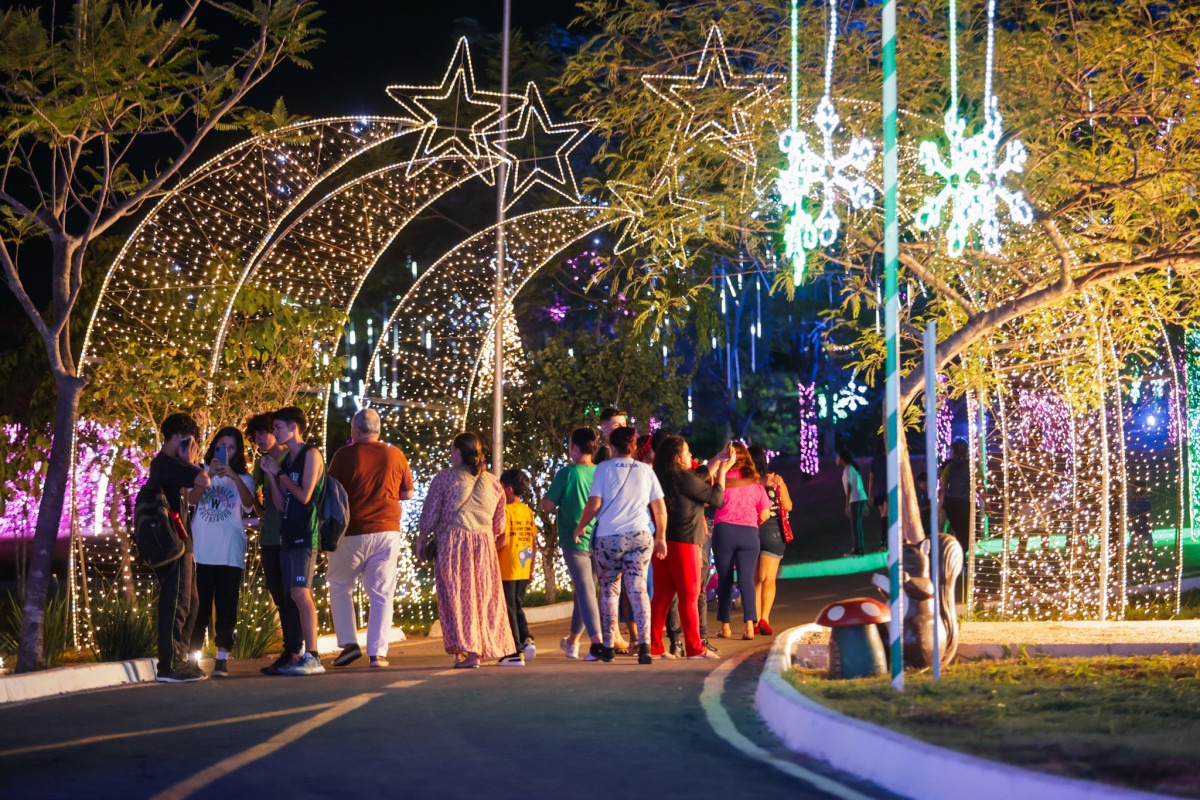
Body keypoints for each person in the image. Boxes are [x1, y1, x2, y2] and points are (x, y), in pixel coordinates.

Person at [326, 408, 415, 670]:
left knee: (340, 585)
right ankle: (378, 654)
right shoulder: (395, 454)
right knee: (381, 594)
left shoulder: (344, 455)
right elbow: (407, 493)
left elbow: (332, 491)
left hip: (351, 532)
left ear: (355, 430)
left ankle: (349, 644)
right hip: (388, 531)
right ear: (378, 430)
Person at [416, 432, 511, 669]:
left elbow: (430, 513)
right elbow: (499, 524)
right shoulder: (493, 482)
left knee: (457, 596)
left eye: (452, 450)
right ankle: (479, 646)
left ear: (457, 452)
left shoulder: (445, 479)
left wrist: (421, 538)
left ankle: (468, 650)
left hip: (453, 544)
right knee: (483, 597)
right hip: (484, 546)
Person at [573, 426, 667, 665]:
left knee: (609, 590)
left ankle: (607, 646)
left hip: (609, 538)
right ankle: (645, 645)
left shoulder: (603, 468)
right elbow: (659, 509)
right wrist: (661, 538)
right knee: (638, 589)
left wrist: (581, 525)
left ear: (611, 445)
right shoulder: (646, 470)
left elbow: (594, 504)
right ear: (633, 446)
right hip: (640, 535)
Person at [650, 435, 729, 659]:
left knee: (663, 597)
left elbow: (701, 474)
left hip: (663, 542)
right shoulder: (684, 478)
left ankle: (655, 646)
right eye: (686, 452)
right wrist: (723, 472)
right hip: (685, 544)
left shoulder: (662, 478)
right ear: (677, 457)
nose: (690, 456)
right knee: (689, 596)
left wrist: (718, 459)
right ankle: (695, 648)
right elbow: (716, 499)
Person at [260, 406, 325, 676]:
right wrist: (273, 475)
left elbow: (304, 495)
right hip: (287, 532)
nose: (274, 433)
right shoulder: (286, 461)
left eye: (277, 427)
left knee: (301, 592)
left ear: (293, 427)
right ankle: (298, 654)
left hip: (306, 534)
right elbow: (280, 502)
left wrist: (280, 473)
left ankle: (314, 655)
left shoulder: (310, 454)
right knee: (291, 594)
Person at [189, 427, 255, 677]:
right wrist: (207, 477)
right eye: (221, 445)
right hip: (202, 551)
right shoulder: (200, 472)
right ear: (214, 446)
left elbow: (249, 505)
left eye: (231, 447)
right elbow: (192, 500)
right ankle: (192, 658)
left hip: (230, 552)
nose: (225, 451)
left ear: (237, 452)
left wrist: (233, 477)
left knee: (227, 607)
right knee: (199, 608)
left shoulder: (244, 477)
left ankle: (222, 659)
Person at [150, 412, 210, 683]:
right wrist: (190, 463)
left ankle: (180, 660)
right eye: (188, 441)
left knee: (191, 601)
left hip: (181, 541)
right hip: (173, 543)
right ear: (176, 438)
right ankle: (169, 665)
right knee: (177, 602)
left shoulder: (170, 466)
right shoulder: (167, 464)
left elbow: (193, 492)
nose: (192, 448)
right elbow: (203, 480)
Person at [246, 413, 304, 675]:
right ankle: (290, 649)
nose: (259, 438)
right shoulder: (262, 462)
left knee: (292, 594)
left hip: (289, 535)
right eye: (255, 434)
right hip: (269, 535)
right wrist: (259, 508)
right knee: (278, 594)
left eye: (265, 431)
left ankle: (294, 649)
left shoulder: (290, 458)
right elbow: (253, 498)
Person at [543, 428, 604, 660]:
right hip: (599, 538)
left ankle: (597, 643)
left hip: (574, 538)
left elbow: (548, 506)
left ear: (575, 448)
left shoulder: (567, 473)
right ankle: (573, 642)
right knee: (585, 590)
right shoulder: (600, 472)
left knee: (585, 589)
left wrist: (545, 500)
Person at [713, 443, 770, 640]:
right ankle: (748, 627)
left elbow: (714, 500)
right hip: (749, 534)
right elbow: (764, 513)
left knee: (725, 579)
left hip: (724, 531)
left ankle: (725, 627)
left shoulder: (722, 477)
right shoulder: (755, 482)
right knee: (746, 579)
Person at [748, 445, 792, 637]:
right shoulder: (775, 480)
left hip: (753, 530)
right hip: (774, 532)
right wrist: (779, 486)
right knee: (769, 579)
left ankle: (756, 621)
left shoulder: (748, 483)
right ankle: (765, 617)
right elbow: (789, 506)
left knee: (756, 579)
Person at [496, 469, 537, 666]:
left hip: (507, 566)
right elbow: (534, 540)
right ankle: (526, 639)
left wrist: (488, 550)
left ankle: (514, 650)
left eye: (501, 488)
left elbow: (502, 539)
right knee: (517, 605)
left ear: (509, 489)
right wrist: (532, 567)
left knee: (508, 609)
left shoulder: (505, 510)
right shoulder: (527, 511)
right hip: (523, 565)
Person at [939, 439, 972, 554]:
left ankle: (947, 551)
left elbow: (943, 487)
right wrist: (987, 503)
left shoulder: (948, 465)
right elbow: (979, 485)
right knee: (964, 532)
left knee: (950, 528)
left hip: (950, 502)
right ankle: (962, 555)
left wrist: (940, 504)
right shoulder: (971, 465)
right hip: (965, 502)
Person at [838, 447, 869, 556]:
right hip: (860, 498)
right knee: (858, 525)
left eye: (838, 457)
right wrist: (864, 504)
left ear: (842, 459)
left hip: (855, 499)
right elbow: (860, 485)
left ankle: (857, 549)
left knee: (855, 525)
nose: (837, 459)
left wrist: (847, 504)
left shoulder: (848, 469)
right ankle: (859, 548)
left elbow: (849, 486)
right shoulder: (854, 468)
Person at [868, 438, 888, 550]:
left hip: (878, 491)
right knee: (885, 516)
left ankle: (884, 541)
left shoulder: (874, 461)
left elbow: (871, 479)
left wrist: (870, 494)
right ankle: (883, 541)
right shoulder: (888, 459)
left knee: (883, 516)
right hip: (887, 490)